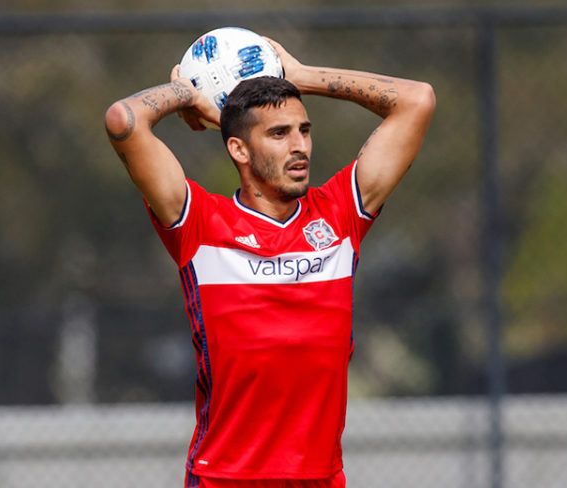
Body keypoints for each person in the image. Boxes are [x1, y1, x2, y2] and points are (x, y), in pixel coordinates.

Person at [104, 38, 435, 488]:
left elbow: (417, 100)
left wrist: (300, 77)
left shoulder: (338, 216)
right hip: (225, 480)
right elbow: (124, 120)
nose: (299, 146)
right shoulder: (200, 223)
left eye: (304, 130)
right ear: (239, 150)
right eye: (279, 134)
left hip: (321, 480)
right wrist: (186, 93)